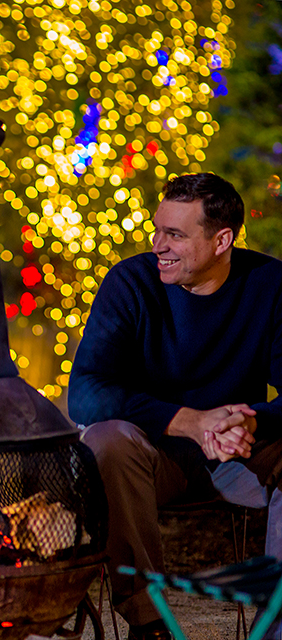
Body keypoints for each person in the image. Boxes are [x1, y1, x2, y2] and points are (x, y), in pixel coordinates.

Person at [68, 173, 282, 640]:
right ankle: (148, 624)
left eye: (175, 234)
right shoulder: (131, 283)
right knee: (104, 440)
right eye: (157, 229)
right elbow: (84, 391)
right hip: (152, 459)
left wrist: (251, 419)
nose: (158, 244)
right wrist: (192, 421)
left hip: (236, 454)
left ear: (222, 239)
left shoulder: (269, 284)